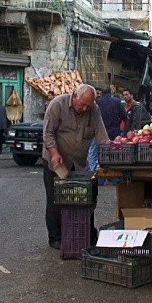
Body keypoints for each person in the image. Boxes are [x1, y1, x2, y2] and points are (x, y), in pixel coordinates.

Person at [43, 85, 109, 249]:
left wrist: (109, 154)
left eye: (89, 105)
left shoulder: (93, 110)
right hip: (55, 161)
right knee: (56, 200)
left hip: (78, 162)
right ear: (74, 96)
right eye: (83, 104)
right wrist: (54, 153)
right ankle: (56, 238)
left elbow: (101, 135)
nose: (85, 108)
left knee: (84, 198)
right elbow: (48, 133)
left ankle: (86, 235)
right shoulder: (58, 104)